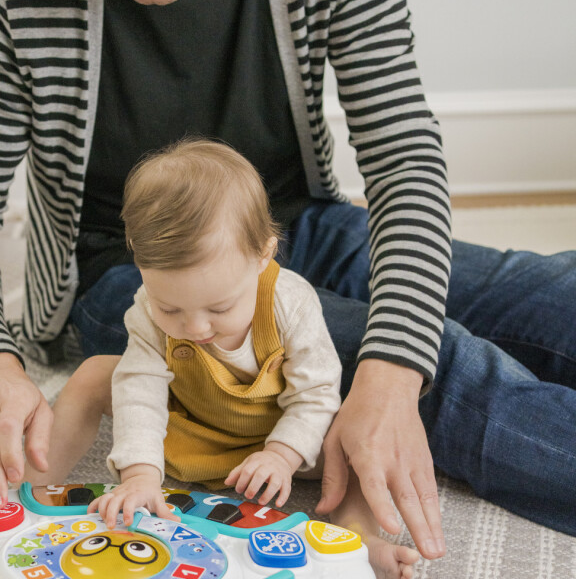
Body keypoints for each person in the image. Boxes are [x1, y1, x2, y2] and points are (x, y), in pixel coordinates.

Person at [0, 0, 576, 563]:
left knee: (536, 300)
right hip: (132, 276)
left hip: (292, 224)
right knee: (449, 368)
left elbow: (401, 157)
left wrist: (395, 378)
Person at [28, 138, 420, 579]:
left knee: (358, 436)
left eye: (219, 309)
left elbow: (316, 394)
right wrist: (139, 476)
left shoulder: (289, 303)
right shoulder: (144, 308)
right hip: (191, 431)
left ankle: (356, 539)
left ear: (263, 255)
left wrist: (282, 455)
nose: (195, 328)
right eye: (171, 309)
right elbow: (140, 392)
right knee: (95, 373)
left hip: (278, 440)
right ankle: (28, 491)